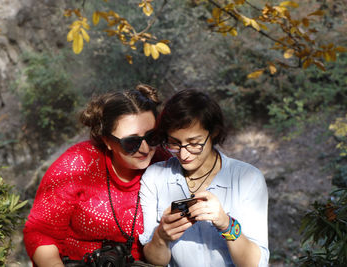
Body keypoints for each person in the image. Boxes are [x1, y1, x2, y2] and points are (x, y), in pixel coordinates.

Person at [23, 84, 169, 267]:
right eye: (131, 142)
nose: (145, 148)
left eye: (152, 136)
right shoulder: (77, 164)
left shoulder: (166, 164)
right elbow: (41, 233)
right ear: (107, 140)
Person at [139, 89, 269, 267]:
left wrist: (226, 224)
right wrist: (161, 236)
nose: (184, 154)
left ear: (214, 132)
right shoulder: (155, 177)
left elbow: (256, 264)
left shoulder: (248, 178)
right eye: (174, 143)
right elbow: (155, 261)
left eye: (194, 143)